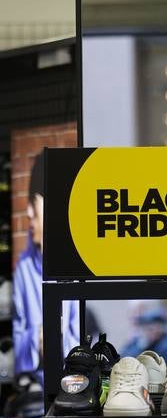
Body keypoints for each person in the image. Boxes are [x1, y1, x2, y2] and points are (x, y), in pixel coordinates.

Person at [13, 150, 78, 374]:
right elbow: (16, 343)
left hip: (71, 379)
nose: (28, 212)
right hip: (33, 386)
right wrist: (37, 337)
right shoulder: (23, 268)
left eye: (34, 201)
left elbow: (80, 339)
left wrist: (55, 336)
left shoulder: (74, 264)